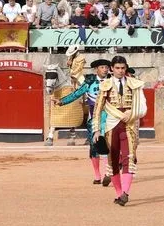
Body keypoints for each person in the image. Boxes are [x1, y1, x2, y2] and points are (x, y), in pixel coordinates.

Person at [92, 55, 147, 207]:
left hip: (129, 125)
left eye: (123, 68)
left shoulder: (135, 84)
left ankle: (125, 193)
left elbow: (143, 107)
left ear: (126, 68)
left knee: (129, 158)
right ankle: (118, 193)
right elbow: (97, 109)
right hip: (111, 127)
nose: (120, 71)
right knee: (113, 161)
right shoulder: (105, 85)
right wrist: (96, 130)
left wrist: (133, 113)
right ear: (112, 69)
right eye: (117, 68)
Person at [55, 59, 111, 185]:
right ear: (96, 69)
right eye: (102, 67)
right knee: (94, 147)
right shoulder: (90, 82)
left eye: (107, 67)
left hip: (110, 117)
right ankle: (97, 175)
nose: (105, 69)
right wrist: (62, 101)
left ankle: (108, 172)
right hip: (94, 118)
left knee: (109, 145)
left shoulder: (112, 81)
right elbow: (77, 94)